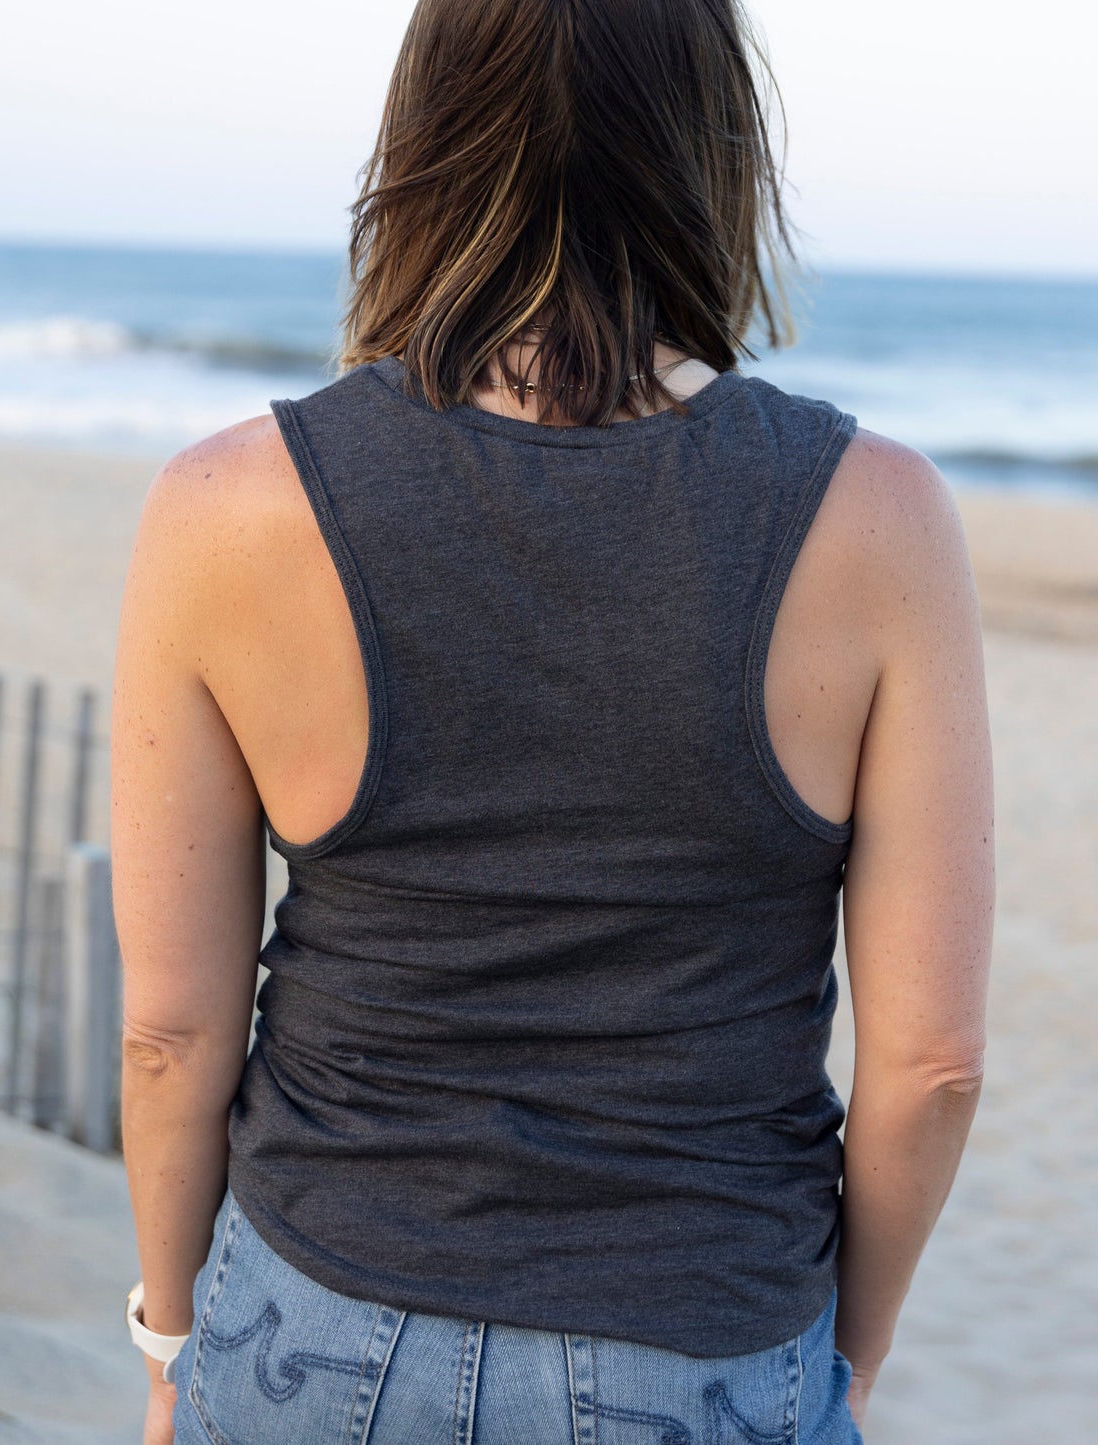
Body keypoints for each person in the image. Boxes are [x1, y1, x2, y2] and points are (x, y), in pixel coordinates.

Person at [110, 1, 995, 1441]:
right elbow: (930, 1063)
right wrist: (845, 1365)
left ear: (424, 141)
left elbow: (170, 1028)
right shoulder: (874, 519)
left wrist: (167, 1338)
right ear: (714, 152)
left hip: (316, 1319)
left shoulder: (225, 507)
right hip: (701, 1334)